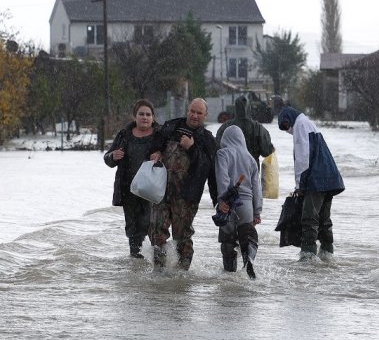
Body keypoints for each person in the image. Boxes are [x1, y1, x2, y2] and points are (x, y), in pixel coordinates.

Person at [148, 98, 218, 270]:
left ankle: (182, 276)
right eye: (192, 111)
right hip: (161, 191)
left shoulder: (207, 138)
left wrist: (192, 148)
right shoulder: (172, 126)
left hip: (186, 197)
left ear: (205, 115)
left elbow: (207, 169)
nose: (194, 115)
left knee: (182, 237)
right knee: (157, 230)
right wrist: (155, 151)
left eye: (199, 113)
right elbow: (155, 142)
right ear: (187, 111)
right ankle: (159, 271)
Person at [277, 106, 344, 261]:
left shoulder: (300, 125)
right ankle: (327, 253)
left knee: (309, 218)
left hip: (317, 180)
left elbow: (302, 159)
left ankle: (308, 257)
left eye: (286, 126)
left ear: (288, 119)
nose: (287, 131)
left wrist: (300, 186)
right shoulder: (308, 123)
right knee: (324, 218)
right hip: (330, 178)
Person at [103, 99, 158, 259]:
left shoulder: (160, 135)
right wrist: (113, 156)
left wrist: (161, 154)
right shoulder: (124, 134)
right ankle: (136, 261)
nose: (145, 117)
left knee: (152, 226)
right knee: (133, 229)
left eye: (148, 114)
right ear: (135, 117)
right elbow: (107, 159)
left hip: (152, 191)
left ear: (153, 117)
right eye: (141, 114)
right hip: (129, 190)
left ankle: (158, 263)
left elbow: (172, 155)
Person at [214, 125, 262, 278]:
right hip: (247, 204)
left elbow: (223, 178)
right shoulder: (251, 159)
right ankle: (249, 261)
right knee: (247, 237)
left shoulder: (223, 153)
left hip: (229, 202)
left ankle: (229, 274)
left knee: (227, 241)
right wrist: (257, 211)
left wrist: (223, 199)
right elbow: (257, 187)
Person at [215, 95, 275, 168]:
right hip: (252, 171)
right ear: (249, 108)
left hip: (229, 170)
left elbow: (217, 149)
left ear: (235, 108)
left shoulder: (225, 127)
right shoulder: (258, 128)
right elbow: (266, 151)